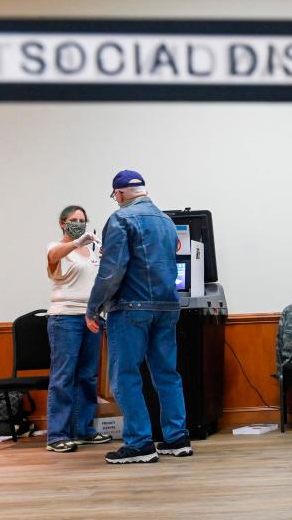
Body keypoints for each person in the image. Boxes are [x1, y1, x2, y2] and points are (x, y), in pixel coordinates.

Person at [86, 170, 191, 463]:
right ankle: (176, 439)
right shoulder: (168, 222)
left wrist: (93, 306)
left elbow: (112, 271)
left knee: (125, 376)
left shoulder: (120, 219)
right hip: (168, 307)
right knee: (166, 373)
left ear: (119, 193)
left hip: (131, 307)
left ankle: (139, 443)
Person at [44, 205, 113, 453]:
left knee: (88, 376)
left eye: (82, 220)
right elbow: (54, 258)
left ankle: (83, 430)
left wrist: (107, 258)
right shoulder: (57, 247)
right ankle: (57, 435)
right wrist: (76, 243)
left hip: (92, 317)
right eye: (73, 220)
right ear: (62, 223)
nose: (78, 223)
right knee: (64, 376)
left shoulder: (91, 250)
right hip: (65, 318)